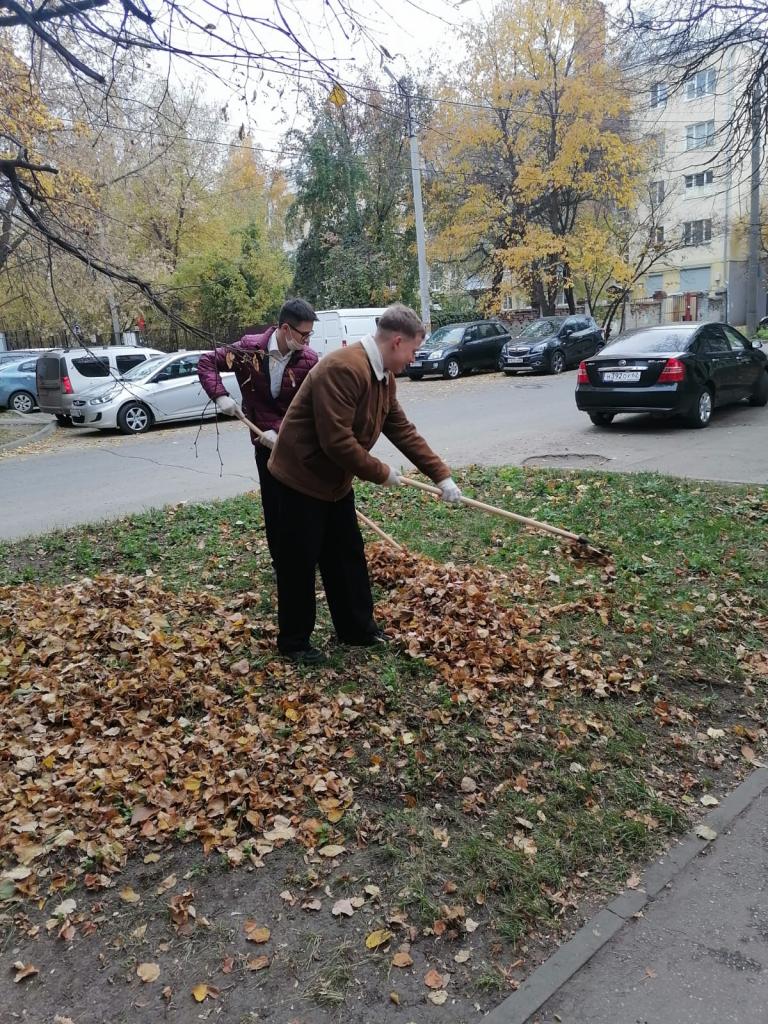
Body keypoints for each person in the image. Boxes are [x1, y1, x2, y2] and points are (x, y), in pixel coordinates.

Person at [268, 303, 462, 664]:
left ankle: (356, 629)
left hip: (333, 481)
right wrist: (381, 472)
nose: (414, 359)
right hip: (300, 478)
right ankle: (294, 643)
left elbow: (400, 428)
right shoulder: (344, 368)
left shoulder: (383, 376)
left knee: (346, 556)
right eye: (414, 351)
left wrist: (441, 474)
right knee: (299, 561)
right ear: (397, 341)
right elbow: (336, 441)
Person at [197, 298, 318, 563]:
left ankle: (306, 558)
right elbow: (206, 362)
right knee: (274, 505)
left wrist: (284, 433)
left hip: (294, 443)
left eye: (310, 334)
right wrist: (220, 396)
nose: (308, 340)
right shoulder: (249, 350)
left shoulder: (309, 359)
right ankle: (281, 562)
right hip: (264, 445)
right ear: (285, 329)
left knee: (302, 502)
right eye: (304, 334)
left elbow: (309, 407)